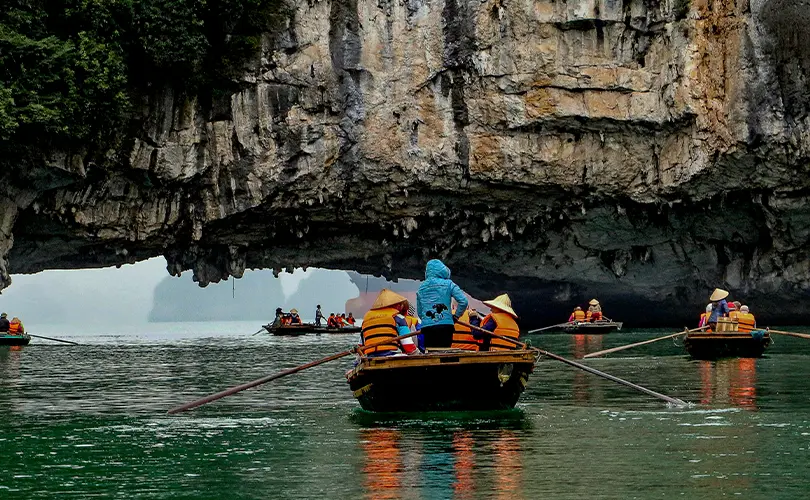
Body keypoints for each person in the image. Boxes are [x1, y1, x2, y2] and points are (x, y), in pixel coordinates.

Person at [416, 259, 468, 349]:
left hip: (427, 327)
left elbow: (420, 312)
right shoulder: (449, 284)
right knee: (444, 353)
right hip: (446, 325)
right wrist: (456, 316)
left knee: (431, 355)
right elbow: (463, 301)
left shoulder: (421, 288)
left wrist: (428, 320)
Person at [360, 289, 418, 356]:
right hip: (391, 354)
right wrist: (418, 354)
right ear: (396, 305)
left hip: (370, 356)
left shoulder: (366, 318)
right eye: (400, 305)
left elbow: (361, 344)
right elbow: (407, 344)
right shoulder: (398, 317)